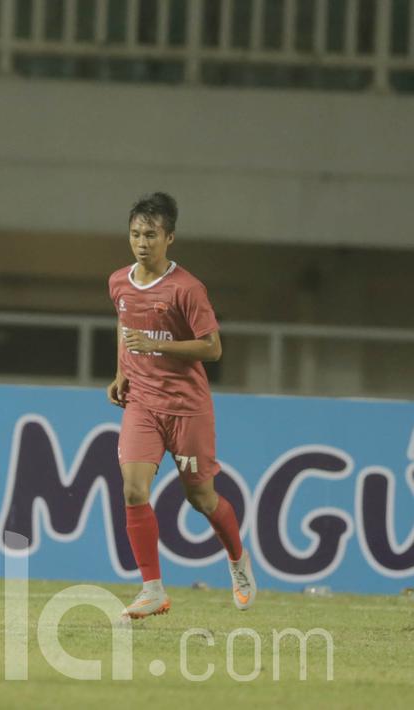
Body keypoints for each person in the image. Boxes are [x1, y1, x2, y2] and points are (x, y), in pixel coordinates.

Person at [107, 192, 255, 619]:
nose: (141, 242)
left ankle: (237, 561)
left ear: (169, 238)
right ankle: (152, 589)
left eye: (151, 235)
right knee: (133, 489)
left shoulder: (187, 289)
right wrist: (121, 372)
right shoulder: (118, 281)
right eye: (135, 233)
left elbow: (213, 348)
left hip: (187, 407)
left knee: (202, 498)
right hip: (142, 403)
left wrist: (157, 343)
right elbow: (124, 323)